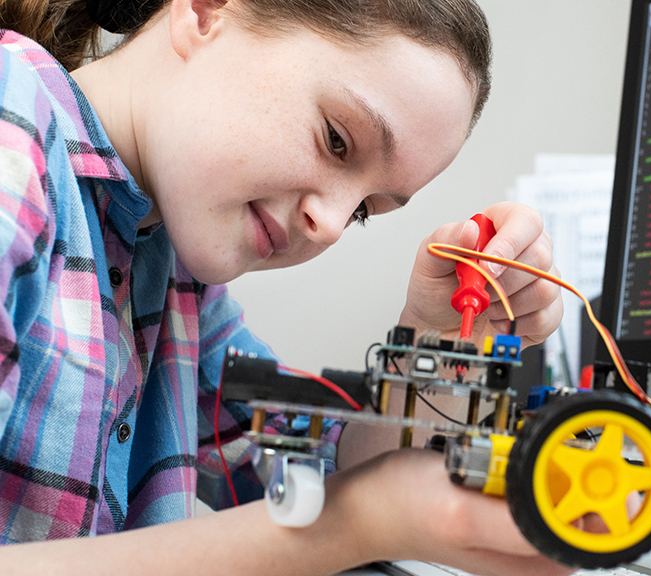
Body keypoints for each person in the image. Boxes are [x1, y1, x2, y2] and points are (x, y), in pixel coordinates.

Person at [0, 0, 570, 573]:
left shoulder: (175, 277)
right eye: (337, 140)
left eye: (364, 211)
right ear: (205, 12)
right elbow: (349, 505)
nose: (331, 224)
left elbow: (315, 468)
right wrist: (357, 523)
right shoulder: (12, 122)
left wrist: (433, 342)